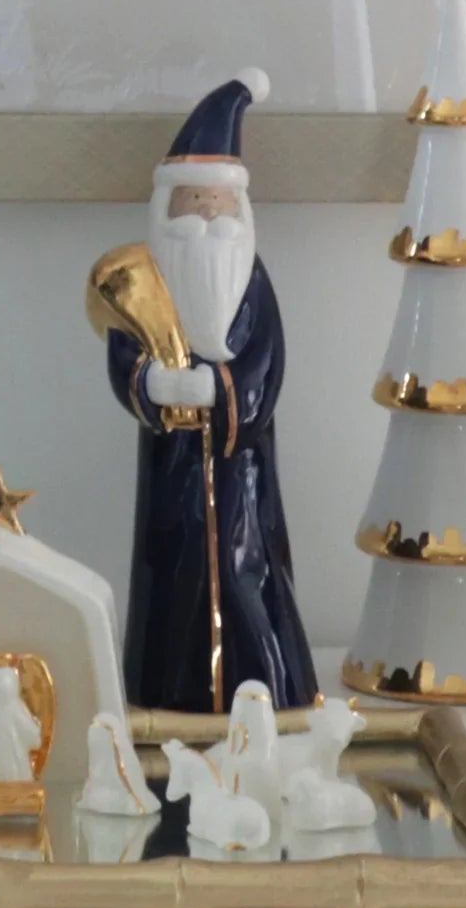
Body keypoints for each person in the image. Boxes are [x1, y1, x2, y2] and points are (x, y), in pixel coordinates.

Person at [96, 73, 317, 712]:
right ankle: (166, 688)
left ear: (240, 211)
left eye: (218, 206)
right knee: (172, 574)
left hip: (241, 466)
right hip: (173, 467)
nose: (206, 221)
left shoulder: (252, 285)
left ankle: (267, 684)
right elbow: (122, 347)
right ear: (167, 210)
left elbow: (266, 365)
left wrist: (221, 390)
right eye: (192, 204)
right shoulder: (146, 278)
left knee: (250, 571)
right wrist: (152, 383)